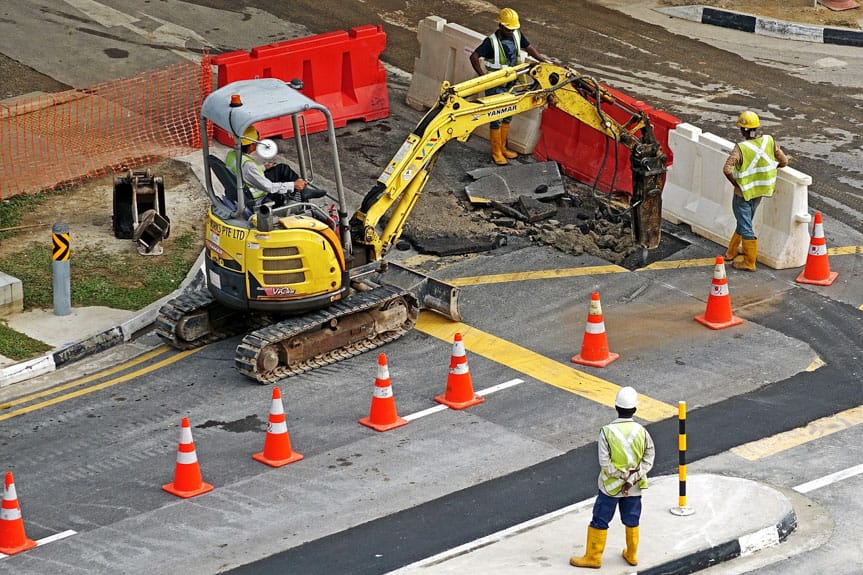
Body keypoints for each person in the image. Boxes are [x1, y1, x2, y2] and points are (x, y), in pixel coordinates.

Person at [570, 386, 655, 569]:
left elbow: (605, 463)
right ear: (635, 409)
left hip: (610, 487)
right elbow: (649, 459)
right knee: (632, 519)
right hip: (634, 487)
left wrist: (621, 476)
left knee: (600, 519)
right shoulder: (642, 431)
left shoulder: (606, 432)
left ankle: (593, 557)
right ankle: (631, 555)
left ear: (616, 407)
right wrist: (632, 478)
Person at [469, 7, 546, 166]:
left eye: (514, 29)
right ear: (501, 26)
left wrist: (542, 60)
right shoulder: (491, 42)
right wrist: (482, 77)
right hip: (495, 86)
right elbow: (474, 56)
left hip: (512, 84)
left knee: (508, 115)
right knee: (496, 118)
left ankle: (503, 148)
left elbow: (529, 48)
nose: (512, 32)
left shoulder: (517, 34)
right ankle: (496, 151)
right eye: (509, 29)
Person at [723, 111, 788, 271]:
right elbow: (784, 161)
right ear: (756, 128)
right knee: (745, 221)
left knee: (745, 225)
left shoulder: (740, 148)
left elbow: (727, 169)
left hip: (743, 194)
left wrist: (736, 184)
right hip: (760, 191)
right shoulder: (769, 141)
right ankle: (731, 252)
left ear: (743, 130)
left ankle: (749, 262)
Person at [225, 126, 323, 207]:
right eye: (256, 143)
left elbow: (244, 173)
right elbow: (269, 187)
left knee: (281, 168)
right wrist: (293, 185)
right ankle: (301, 190)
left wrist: (263, 167)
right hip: (256, 194)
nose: (256, 146)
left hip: (244, 187)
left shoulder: (231, 155)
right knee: (284, 174)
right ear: (250, 145)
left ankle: (302, 191)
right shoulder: (248, 165)